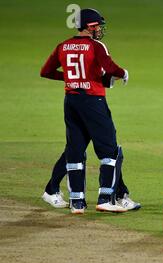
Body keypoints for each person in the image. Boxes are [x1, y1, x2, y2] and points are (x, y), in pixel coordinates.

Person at [40, 8, 131, 214]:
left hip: (71, 101)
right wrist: (123, 73)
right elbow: (110, 67)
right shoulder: (96, 46)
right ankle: (106, 198)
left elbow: (45, 71)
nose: (99, 29)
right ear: (89, 27)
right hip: (93, 102)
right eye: (97, 25)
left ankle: (77, 203)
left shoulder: (63, 46)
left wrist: (71, 79)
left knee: (75, 149)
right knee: (111, 151)